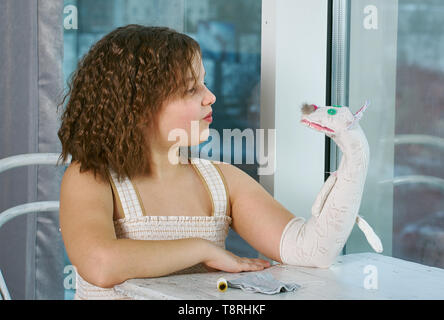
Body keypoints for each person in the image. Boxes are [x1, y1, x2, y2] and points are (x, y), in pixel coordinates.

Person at [57, 24, 295, 300]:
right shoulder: (90, 177)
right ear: (139, 108)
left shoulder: (221, 180)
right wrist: (202, 249)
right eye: (191, 88)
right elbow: (100, 264)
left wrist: (353, 156)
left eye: (203, 83)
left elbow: (306, 247)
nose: (210, 97)